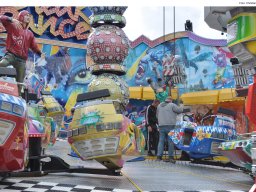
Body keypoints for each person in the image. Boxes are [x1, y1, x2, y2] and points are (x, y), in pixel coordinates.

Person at [0, 10, 45, 94]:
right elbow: (1, 18)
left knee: (20, 82)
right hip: (11, 55)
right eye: (26, 15)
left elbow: (34, 46)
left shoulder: (30, 34)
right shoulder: (12, 26)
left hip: (22, 60)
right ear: (21, 17)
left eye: (29, 16)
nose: (28, 17)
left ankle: (18, 97)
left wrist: (40, 53)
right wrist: (11, 19)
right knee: (1, 64)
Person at [156, 96, 183, 163]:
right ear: (170, 100)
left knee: (161, 141)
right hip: (170, 125)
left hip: (161, 125)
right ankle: (170, 157)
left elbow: (157, 115)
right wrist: (181, 105)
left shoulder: (159, 106)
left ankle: (159, 156)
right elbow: (180, 110)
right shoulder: (172, 105)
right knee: (170, 142)